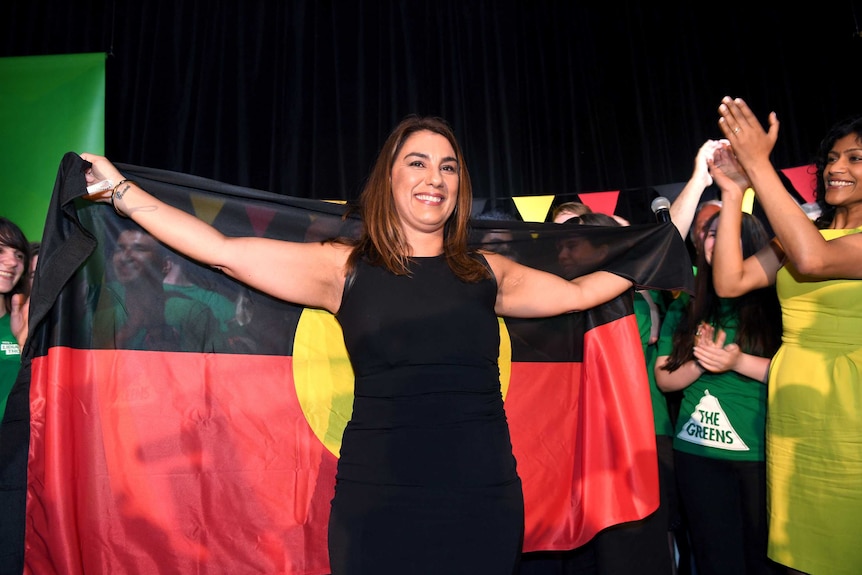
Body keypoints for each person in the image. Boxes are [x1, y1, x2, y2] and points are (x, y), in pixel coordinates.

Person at [80, 115, 636, 575]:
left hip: (482, 498)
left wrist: (672, 225)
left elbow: (581, 290)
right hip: (380, 503)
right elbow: (222, 249)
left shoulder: (486, 272)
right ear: (388, 179)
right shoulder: (342, 269)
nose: (433, 177)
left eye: (448, 167)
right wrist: (120, 192)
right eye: (416, 162)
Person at [709, 97, 862, 575]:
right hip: (795, 412)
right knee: (799, 556)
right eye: (833, 156)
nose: (837, 167)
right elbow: (729, 281)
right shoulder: (803, 235)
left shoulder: (811, 245)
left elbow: (814, 260)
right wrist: (735, 192)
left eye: (855, 158)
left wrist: (757, 163)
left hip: (849, 410)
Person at [655, 209, 785, 575]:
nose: (716, 241)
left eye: (726, 233)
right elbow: (665, 378)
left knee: (763, 557)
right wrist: (701, 360)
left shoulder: (774, 300)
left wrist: (736, 361)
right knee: (714, 556)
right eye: (710, 233)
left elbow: (792, 371)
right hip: (696, 453)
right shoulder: (687, 301)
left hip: (759, 452)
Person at [0, 218, 30, 419]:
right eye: (0, 250)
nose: (12, 262)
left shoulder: (24, 325)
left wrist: (23, 345)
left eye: (19, 255)